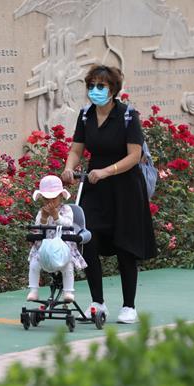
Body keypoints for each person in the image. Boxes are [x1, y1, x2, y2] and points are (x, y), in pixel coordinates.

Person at [61, 65, 157, 324]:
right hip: (96, 188)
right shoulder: (85, 116)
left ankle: (129, 306)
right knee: (87, 238)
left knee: (126, 245)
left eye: (100, 87)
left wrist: (106, 171)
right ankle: (97, 303)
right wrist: (69, 168)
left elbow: (134, 155)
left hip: (125, 188)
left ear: (113, 89)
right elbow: (77, 150)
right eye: (91, 86)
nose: (95, 91)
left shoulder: (127, 116)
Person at [27, 175, 87, 303]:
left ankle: (68, 291)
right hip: (45, 247)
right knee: (34, 263)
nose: (50, 202)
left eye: (53, 198)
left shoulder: (67, 210)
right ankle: (33, 290)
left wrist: (56, 216)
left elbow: (68, 224)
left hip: (63, 247)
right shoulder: (41, 211)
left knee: (67, 266)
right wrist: (43, 218)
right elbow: (38, 228)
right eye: (46, 199)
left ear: (60, 197)